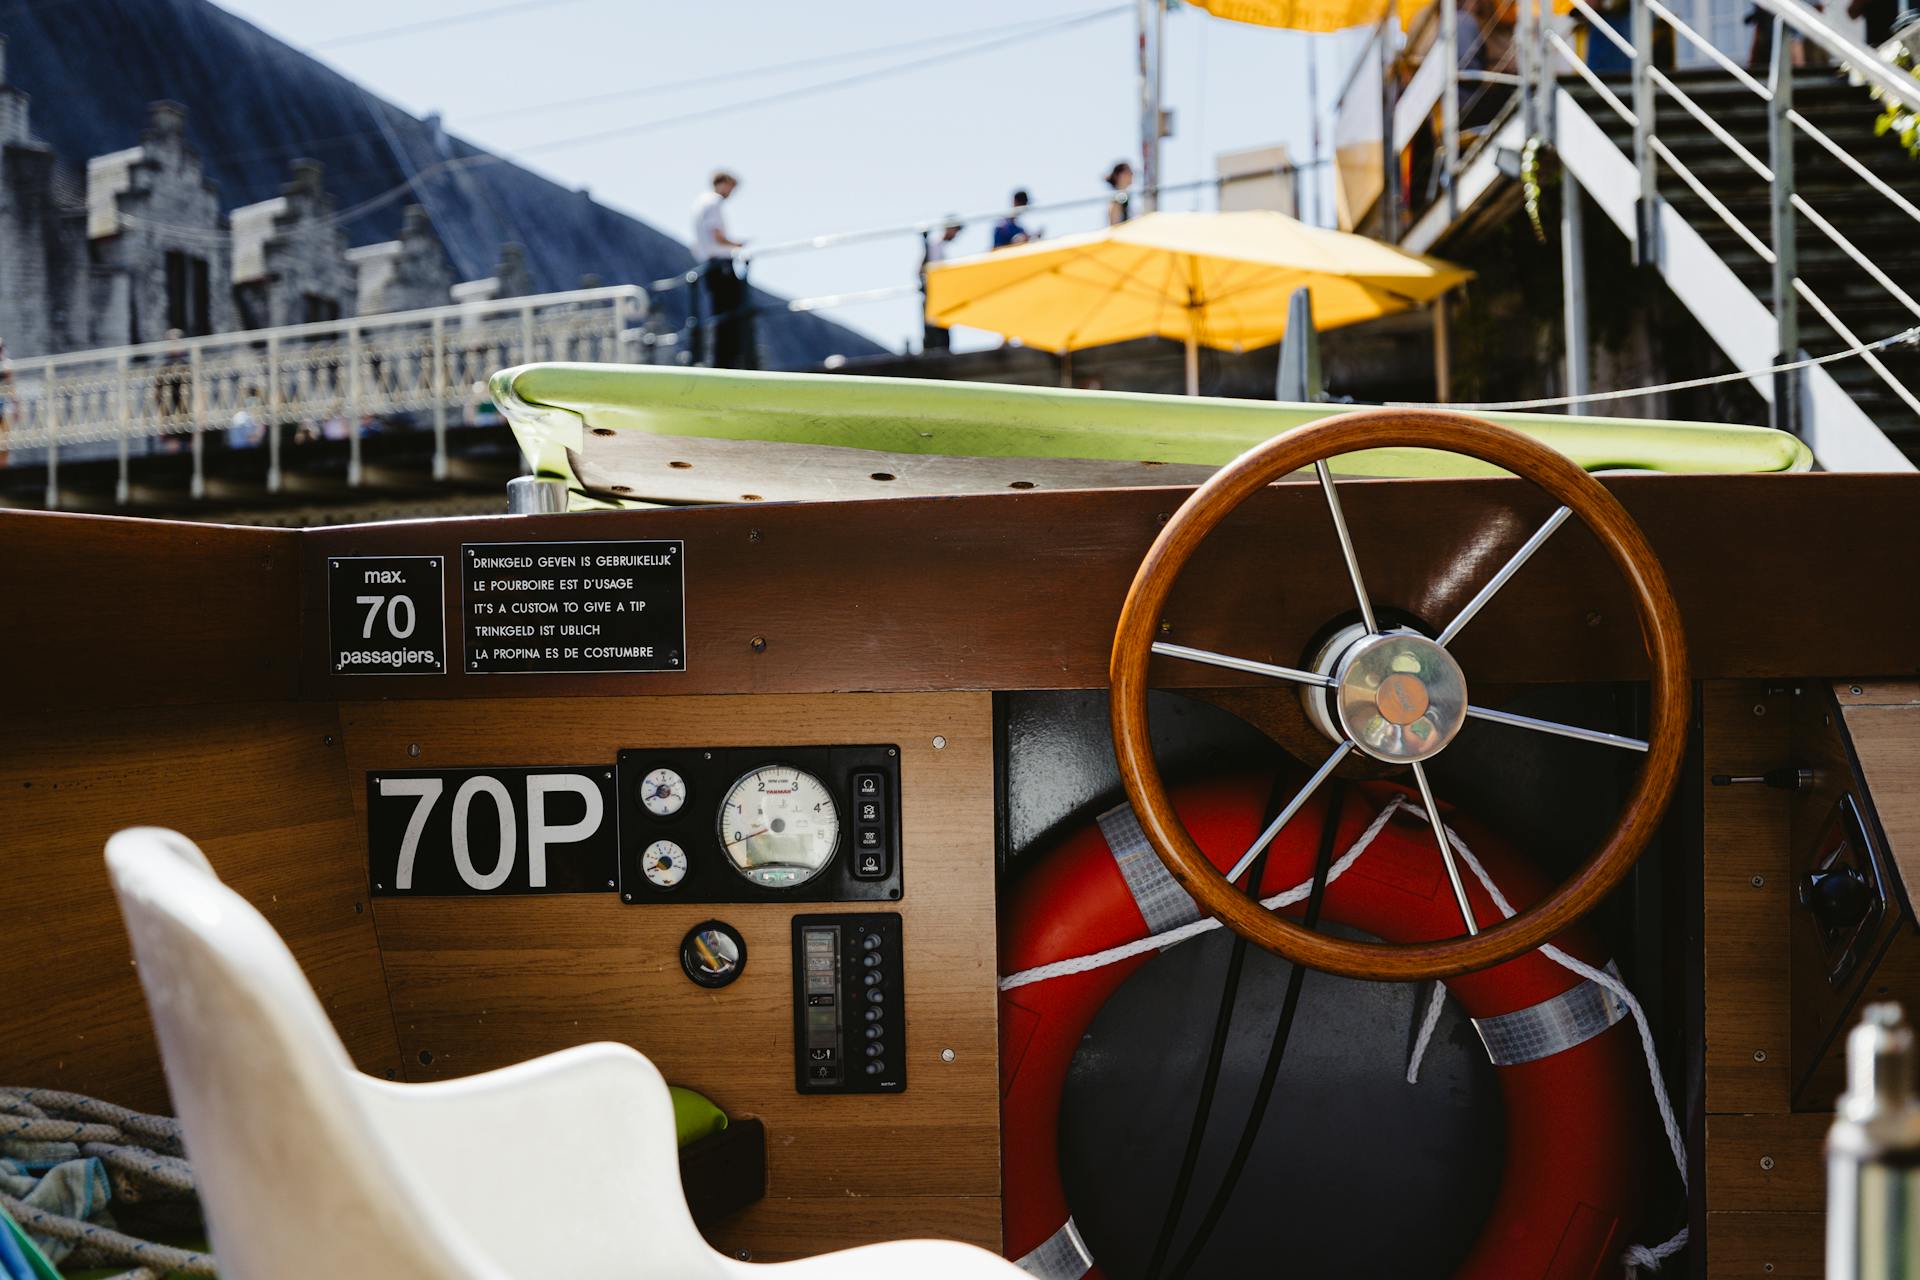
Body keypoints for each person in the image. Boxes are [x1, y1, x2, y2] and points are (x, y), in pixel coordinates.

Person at [691, 170, 750, 368]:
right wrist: (737, 245)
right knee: (731, 312)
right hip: (720, 264)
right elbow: (716, 234)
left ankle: (721, 359)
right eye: (731, 187)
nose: (731, 192)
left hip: (711, 264)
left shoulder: (701, 202)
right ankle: (728, 359)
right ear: (723, 183)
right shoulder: (713, 202)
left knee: (720, 312)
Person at [921, 217, 963, 353]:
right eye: (955, 230)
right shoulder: (936, 245)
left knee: (942, 334)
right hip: (936, 295)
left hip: (940, 296)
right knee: (936, 334)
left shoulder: (940, 246)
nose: (956, 235)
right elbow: (931, 271)